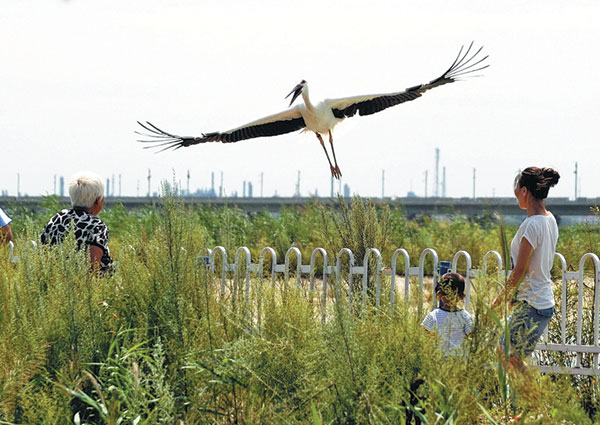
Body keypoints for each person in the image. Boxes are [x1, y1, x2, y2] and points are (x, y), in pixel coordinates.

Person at [491, 167, 560, 371]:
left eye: (516, 190)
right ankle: (528, 401)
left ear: (523, 191)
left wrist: (497, 303)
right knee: (508, 356)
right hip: (536, 301)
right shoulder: (550, 220)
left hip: (533, 303)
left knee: (507, 355)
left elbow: (520, 271)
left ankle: (537, 402)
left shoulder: (532, 224)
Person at [41, 171, 113, 274]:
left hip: (54, 282)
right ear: (97, 200)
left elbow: (43, 254)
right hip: (87, 286)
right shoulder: (97, 226)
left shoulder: (56, 219)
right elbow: (93, 268)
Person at [422, 272, 473, 354]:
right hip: (460, 360)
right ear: (462, 297)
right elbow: (471, 334)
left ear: (439, 294)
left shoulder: (434, 315)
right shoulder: (465, 316)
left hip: (439, 360)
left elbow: (424, 334)